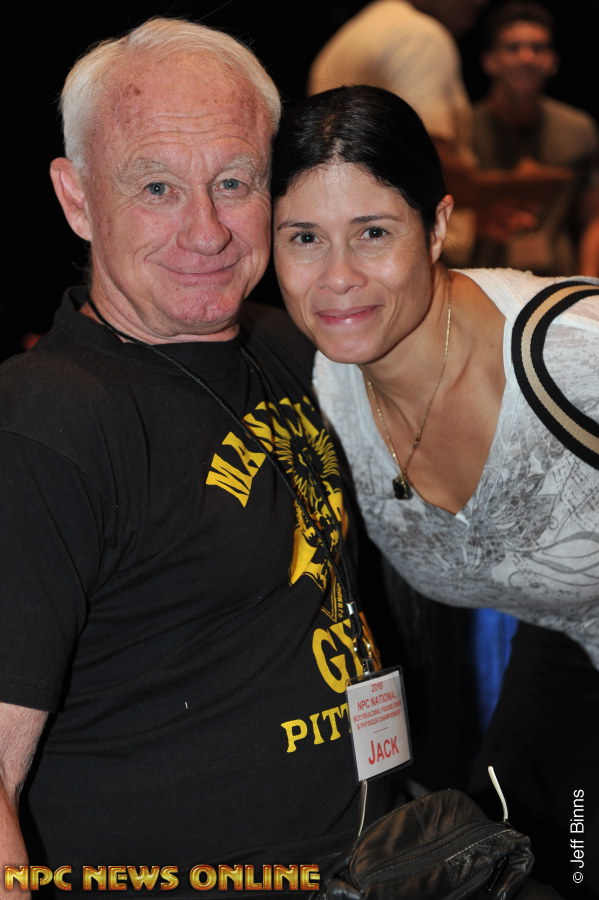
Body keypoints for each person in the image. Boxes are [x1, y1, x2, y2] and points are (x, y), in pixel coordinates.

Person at [0, 19, 397, 897]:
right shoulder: (40, 426)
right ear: (76, 199)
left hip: (377, 859)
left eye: (232, 182)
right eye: (156, 187)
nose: (207, 231)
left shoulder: (288, 345)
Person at [270, 83, 599, 894]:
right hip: (564, 646)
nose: (337, 277)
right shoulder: (321, 389)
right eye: (304, 237)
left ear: (438, 226)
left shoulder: (569, 356)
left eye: (373, 233)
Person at [306, 0, 572, 267]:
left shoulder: (355, 33)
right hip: (396, 255)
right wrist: (521, 185)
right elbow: (436, 171)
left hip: (346, 245)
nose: (480, 3)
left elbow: (386, 167)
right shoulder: (421, 37)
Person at [470, 1, 599, 276]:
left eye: (538, 48)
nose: (526, 58)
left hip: (558, 277)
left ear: (552, 61)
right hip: (482, 277)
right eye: (513, 48)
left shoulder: (578, 129)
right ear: (490, 61)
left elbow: (593, 215)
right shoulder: (465, 128)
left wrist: (588, 281)